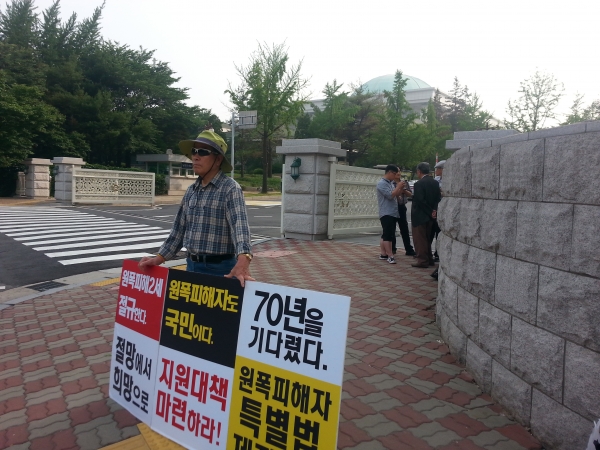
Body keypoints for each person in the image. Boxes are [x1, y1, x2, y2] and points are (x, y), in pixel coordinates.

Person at [138, 130, 254, 286]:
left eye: (203, 152)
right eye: (194, 151)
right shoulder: (191, 191)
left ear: (218, 159)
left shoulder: (230, 189)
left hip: (220, 270)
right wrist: (158, 259)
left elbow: (240, 228)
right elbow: (178, 230)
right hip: (191, 266)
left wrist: (243, 260)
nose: (195, 156)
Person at [411, 162, 441, 268]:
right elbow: (438, 199)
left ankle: (422, 260)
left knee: (420, 239)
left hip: (420, 215)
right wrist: (434, 211)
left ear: (419, 171)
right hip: (431, 216)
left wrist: (429, 211)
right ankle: (429, 259)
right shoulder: (435, 183)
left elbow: (420, 201)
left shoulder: (419, 184)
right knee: (427, 238)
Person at [376, 165, 404, 264]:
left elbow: (394, 194)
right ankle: (390, 255)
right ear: (390, 172)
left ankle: (383, 254)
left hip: (392, 212)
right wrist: (399, 187)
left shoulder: (390, 183)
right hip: (386, 212)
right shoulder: (381, 183)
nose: (396, 176)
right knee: (389, 235)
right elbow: (390, 195)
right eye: (395, 174)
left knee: (386, 234)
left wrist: (400, 190)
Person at [391, 171, 416, 256]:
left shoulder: (404, 182)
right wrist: (398, 189)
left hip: (402, 207)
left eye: (399, 171)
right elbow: (392, 194)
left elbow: (410, 194)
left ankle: (408, 249)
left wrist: (403, 190)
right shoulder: (390, 183)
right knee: (392, 228)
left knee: (404, 228)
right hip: (393, 207)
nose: (398, 173)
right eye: (396, 171)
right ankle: (392, 248)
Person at [430, 159, 445, 279]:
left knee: (441, 233)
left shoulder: (449, 180)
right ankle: (435, 253)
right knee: (434, 232)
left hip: (444, 209)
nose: (436, 171)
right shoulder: (436, 181)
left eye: (438, 169)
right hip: (436, 209)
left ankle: (439, 253)